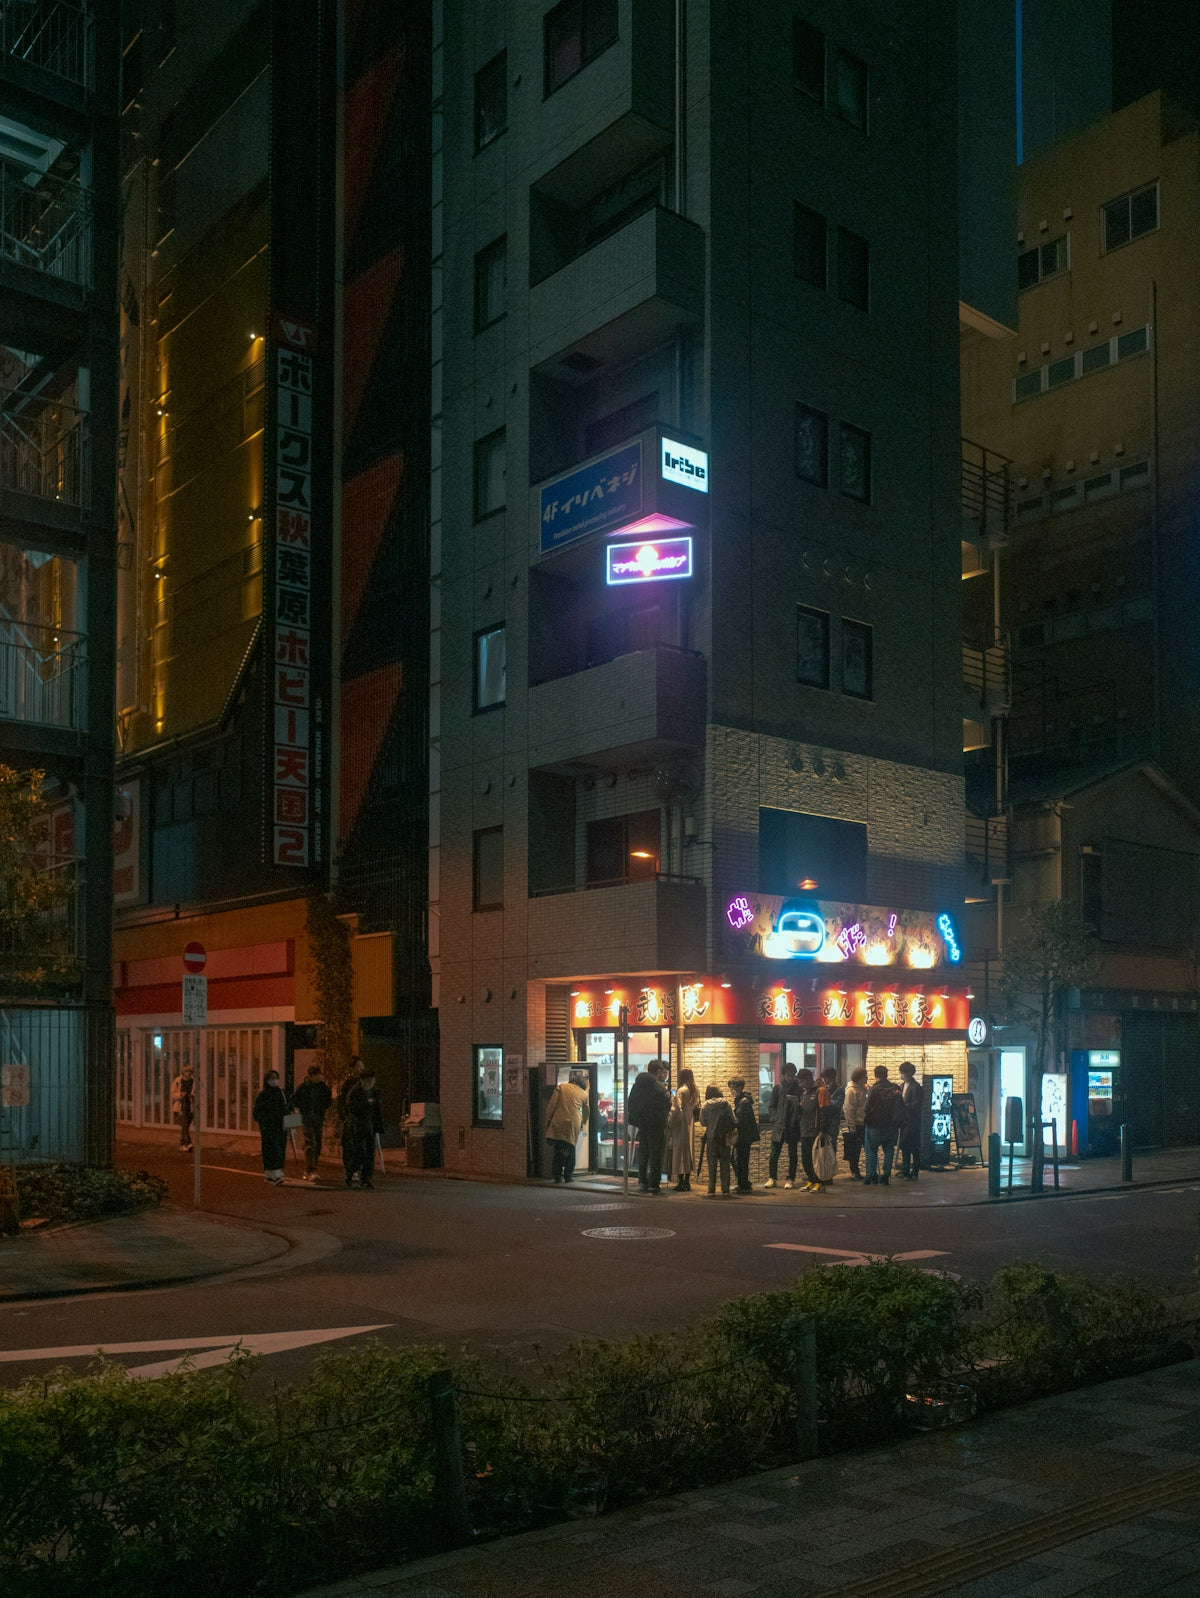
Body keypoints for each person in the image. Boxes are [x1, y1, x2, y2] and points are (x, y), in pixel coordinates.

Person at [626, 1059, 670, 1194]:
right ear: (658, 1071)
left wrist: (636, 1120)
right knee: (655, 1154)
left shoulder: (637, 1084)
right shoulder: (658, 1086)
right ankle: (654, 1184)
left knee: (644, 1152)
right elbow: (666, 1104)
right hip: (655, 1123)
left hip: (642, 1123)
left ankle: (643, 1182)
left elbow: (631, 1102)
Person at [545, 1070, 589, 1184]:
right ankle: (568, 1176)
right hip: (574, 1123)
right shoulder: (584, 1094)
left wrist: (548, 1119)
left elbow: (552, 1105)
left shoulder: (561, 1087)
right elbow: (586, 1112)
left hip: (559, 1121)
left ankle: (557, 1176)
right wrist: (583, 1123)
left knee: (558, 1150)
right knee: (571, 1148)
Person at [292, 1063, 333, 1182]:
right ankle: (311, 1170)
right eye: (317, 1075)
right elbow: (295, 1100)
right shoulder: (303, 1088)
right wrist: (303, 1108)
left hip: (318, 1118)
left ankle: (311, 1167)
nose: (319, 1077)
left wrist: (322, 1108)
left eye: (320, 1075)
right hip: (307, 1118)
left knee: (317, 1143)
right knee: (311, 1142)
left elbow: (328, 1101)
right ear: (311, 1076)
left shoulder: (323, 1087)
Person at [862, 1064, 902, 1186]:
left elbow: (866, 1108)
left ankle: (871, 1175)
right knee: (889, 1150)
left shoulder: (874, 1089)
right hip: (891, 1126)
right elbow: (901, 1106)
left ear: (875, 1075)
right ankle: (886, 1175)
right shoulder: (895, 1088)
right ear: (886, 1074)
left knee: (871, 1150)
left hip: (874, 1125)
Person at [342, 1070, 383, 1188]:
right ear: (362, 1081)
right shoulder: (355, 1093)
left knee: (370, 1153)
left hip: (371, 1125)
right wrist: (365, 1103)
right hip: (358, 1125)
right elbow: (351, 1109)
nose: (370, 1083)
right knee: (361, 1152)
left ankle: (366, 1178)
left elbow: (377, 1109)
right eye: (368, 1081)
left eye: (372, 1081)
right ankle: (350, 1171)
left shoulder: (374, 1092)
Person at [763, 1061, 800, 1189]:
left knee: (793, 1154)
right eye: (789, 1075)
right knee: (774, 1153)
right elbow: (771, 1106)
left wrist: (797, 1107)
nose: (791, 1077)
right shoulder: (778, 1088)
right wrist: (774, 1118)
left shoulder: (799, 1089)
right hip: (779, 1125)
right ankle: (772, 1178)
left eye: (793, 1075)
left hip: (793, 1125)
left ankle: (790, 1179)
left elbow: (802, 1107)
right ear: (783, 1075)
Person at [699, 1083, 736, 1197]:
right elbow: (733, 1119)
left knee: (712, 1164)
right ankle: (725, 1190)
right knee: (725, 1163)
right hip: (724, 1138)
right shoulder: (726, 1104)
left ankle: (711, 1190)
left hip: (711, 1137)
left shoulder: (705, 1105)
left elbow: (703, 1122)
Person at [252, 1069, 289, 1185]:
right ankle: (273, 1173)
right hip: (268, 1127)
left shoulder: (281, 1093)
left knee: (279, 1148)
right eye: (272, 1078)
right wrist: (264, 1121)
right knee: (271, 1149)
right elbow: (257, 1112)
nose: (274, 1080)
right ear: (267, 1080)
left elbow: (287, 1107)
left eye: (276, 1078)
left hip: (280, 1126)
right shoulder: (263, 1095)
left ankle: (273, 1173)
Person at [667, 1066, 699, 1191]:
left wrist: (670, 1122)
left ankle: (681, 1182)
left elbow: (676, 1110)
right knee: (689, 1152)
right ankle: (687, 1181)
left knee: (679, 1152)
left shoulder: (681, 1091)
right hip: (690, 1123)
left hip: (681, 1125)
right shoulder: (695, 1091)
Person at [729, 1077, 760, 1193]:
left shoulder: (743, 1102)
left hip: (743, 1136)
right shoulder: (742, 1100)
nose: (731, 1090)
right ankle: (743, 1183)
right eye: (730, 1088)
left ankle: (743, 1185)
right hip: (745, 1135)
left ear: (740, 1087)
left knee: (740, 1160)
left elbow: (740, 1120)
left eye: (733, 1088)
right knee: (739, 1160)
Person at [898, 1060, 924, 1180]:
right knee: (904, 1147)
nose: (901, 1075)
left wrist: (904, 1106)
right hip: (904, 1122)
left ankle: (914, 1171)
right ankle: (905, 1170)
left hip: (913, 1122)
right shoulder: (902, 1086)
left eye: (903, 1073)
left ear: (909, 1073)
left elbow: (917, 1104)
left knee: (914, 1148)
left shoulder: (916, 1087)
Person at [842, 1065, 869, 1179]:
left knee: (868, 1148)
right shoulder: (851, 1091)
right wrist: (851, 1126)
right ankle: (855, 1171)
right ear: (859, 1078)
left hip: (865, 1123)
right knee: (855, 1150)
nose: (867, 1078)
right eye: (865, 1077)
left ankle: (869, 1171)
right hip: (857, 1124)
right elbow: (849, 1109)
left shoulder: (865, 1088)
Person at [797, 1068, 821, 1191]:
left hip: (815, 1130)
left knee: (815, 1158)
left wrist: (822, 1129)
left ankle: (819, 1182)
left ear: (808, 1079)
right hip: (804, 1129)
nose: (800, 1085)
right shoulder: (804, 1094)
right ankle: (811, 1180)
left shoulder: (819, 1092)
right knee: (805, 1158)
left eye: (802, 1082)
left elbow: (824, 1111)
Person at [171, 1064, 195, 1152]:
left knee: (185, 1127)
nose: (188, 1073)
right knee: (184, 1125)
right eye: (186, 1071)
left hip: (190, 1106)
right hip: (180, 1106)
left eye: (190, 1071)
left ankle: (182, 1145)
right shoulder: (177, 1081)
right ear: (183, 1072)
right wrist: (180, 1095)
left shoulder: (193, 1081)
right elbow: (173, 1094)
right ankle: (189, 1143)